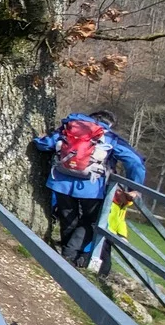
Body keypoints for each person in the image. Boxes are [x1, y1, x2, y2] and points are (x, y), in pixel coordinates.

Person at [33, 110, 146, 268]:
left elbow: (44, 144)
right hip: (92, 187)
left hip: (60, 181)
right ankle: (68, 258)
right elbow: (135, 161)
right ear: (110, 123)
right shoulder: (109, 137)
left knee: (68, 219)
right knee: (91, 222)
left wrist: (39, 137)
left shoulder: (70, 128)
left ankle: (67, 258)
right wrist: (134, 187)